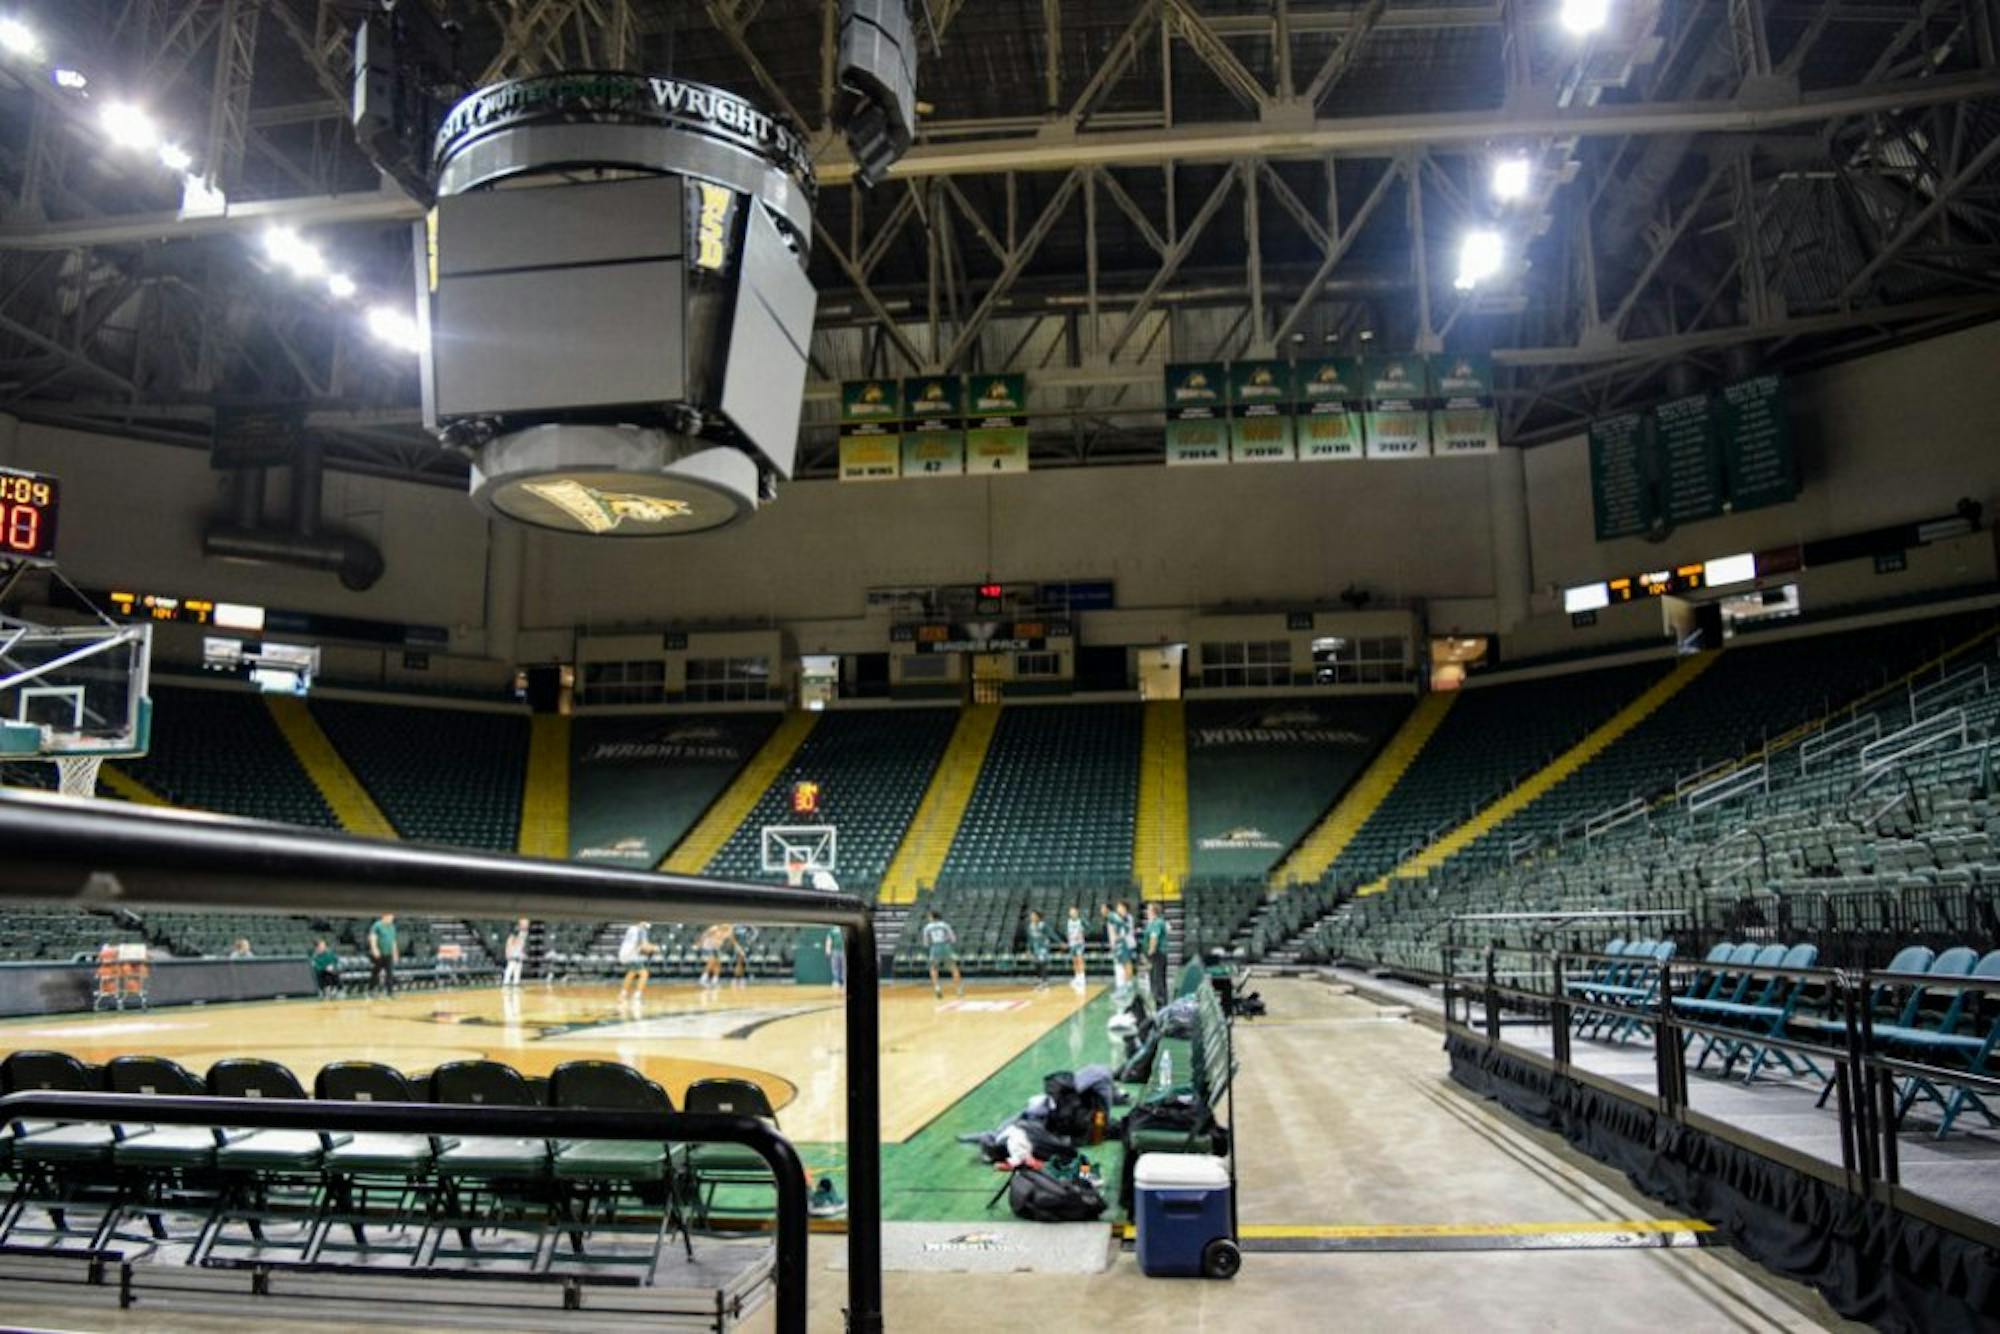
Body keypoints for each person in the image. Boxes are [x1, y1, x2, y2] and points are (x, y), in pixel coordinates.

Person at [921, 909, 963, 999]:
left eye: (929, 916)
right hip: (945, 946)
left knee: (933, 969)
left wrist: (930, 945)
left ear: (932, 916)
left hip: (935, 947)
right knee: (953, 967)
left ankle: (937, 988)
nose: (928, 918)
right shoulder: (945, 925)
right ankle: (959, 989)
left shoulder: (927, 927)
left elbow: (926, 942)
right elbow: (953, 938)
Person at [618, 920, 659, 1000]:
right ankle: (637, 996)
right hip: (631, 955)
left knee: (632, 972)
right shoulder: (641, 930)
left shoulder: (631, 928)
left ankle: (623, 994)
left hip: (623, 953)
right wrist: (655, 948)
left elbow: (637, 945)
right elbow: (644, 946)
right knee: (644, 973)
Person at [1142, 902, 1170, 1003]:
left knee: (1156, 980)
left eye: (1149, 909)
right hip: (1158, 955)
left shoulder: (1156, 923)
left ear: (1154, 911)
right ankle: (1161, 1002)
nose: (1147, 912)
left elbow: (1154, 937)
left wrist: (1150, 951)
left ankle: (1160, 1003)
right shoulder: (1154, 922)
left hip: (1157, 955)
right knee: (1158, 979)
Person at [367, 912, 398, 997]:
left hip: (389, 954)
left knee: (390, 973)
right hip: (379, 954)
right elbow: (373, 937)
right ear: (384, 916)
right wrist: (374, 949)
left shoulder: (392, 927)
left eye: (392, 917)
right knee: (376, 972)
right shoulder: (377, 925)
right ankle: (371, 990)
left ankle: (390, 992)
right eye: (390, 917)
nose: (392, 918)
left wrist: (395, 953)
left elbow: (393, 941)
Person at [697, 922, 735, 991]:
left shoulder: (729, 931)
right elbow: (704, 935)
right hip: (707, 947)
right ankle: (703, 979)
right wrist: (699, 944)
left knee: (718, 964)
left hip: (715, 948)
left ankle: (714, 980)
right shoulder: (714, 928)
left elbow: (732, 940)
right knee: (712, 962)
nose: (728, 926)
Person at [1025, 909, 1052, 990]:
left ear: (1038, 917)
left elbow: (1051, 934)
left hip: (1043, 947)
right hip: (1035, 948)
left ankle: (1045, 982)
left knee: (1042, 963)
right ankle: (1040, 980)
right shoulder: (1030, 926)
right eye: (1031, 916)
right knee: (1037, 964)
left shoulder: (1043, 925)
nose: (1031, 917)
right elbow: (1029, 939)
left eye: (1033, 915)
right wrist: (1028, 949)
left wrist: (1060, 942)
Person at [1065, 906, 1087, 993]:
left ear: (1077, 912)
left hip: (1079, 944)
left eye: (1073, 912)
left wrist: (1083, 932)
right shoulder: (1068, 921)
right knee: (1074, 961)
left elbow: (1088, 927)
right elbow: (1068, 932)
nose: (1072, 913)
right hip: (1072, 943)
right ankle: (1077, 977)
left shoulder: (1081, 921)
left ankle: (1082, 978)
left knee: (1080, 960)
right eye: (1071, 912)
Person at [502, 918, 529, 988]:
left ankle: (516, 983)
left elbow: (523, 943)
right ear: (521, 923)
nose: (527, 924)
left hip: (519, 951)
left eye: (527, 923)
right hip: (513, 950)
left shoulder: (525, 932)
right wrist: (508, 951)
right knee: (511, 967)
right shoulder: (516, 930)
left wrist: (522, 952)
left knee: (518, 967)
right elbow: (510, 940)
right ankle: (506, 983)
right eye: (525, 922)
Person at [824, 926, 846, 993]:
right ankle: (836, 981)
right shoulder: (832, 930)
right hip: (835, 951)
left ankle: (844, 982)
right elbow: (829, 940)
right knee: (835, 966)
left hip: (844, 950)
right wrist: (827, 950)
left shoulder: (845, 928)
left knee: (844, 967)